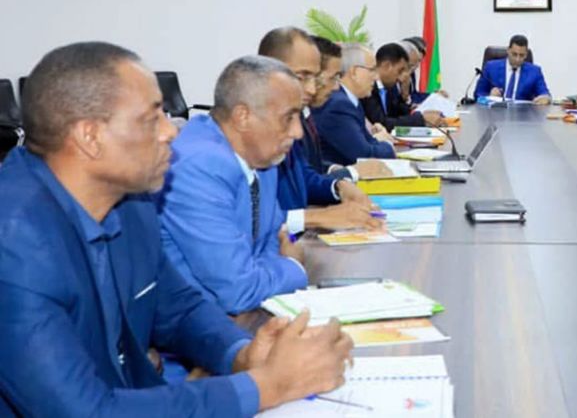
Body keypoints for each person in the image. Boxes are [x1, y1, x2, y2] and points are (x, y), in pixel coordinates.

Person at [0, 42, 352, 416]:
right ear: (90, 136)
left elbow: (177, 307)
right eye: (152, 118)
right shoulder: (14, 242)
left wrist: (242, 353)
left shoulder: (130, 201)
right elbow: (86, 412)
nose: (171, 131)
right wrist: (266, 386)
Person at [157, 56, 311, 314]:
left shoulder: (263, 157)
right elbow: (238, 290)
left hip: (246, 313)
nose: (298, 132)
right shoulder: (198, 166)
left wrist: (263, 270)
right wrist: (293, 266)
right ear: (242, 117)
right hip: (197, 328)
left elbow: (272, 239)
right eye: (288, 118)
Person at [256, 27, 385, 233]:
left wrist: (338, 187)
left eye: (315, 78)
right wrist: (317, 218)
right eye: (303, 76)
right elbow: (252, 220)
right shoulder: (255, 131)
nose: (312, 88)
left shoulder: (292, 118)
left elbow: (303, 177)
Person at [311, 43, 398, 164]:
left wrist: (379, 141)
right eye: (372, 70)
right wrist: (387, 144)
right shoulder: (338, 104)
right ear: (354, 72)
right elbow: (365, 155)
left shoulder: (351, 99)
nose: (376, 77)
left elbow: (368, 142)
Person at [360, 42, 439, 129]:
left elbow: (398, 114)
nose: (402, 78)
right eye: (400, 71)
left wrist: (417, 111)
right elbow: (381, 123)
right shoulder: (367, 88)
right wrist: (421, 119)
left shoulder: (391, 86)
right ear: (386, 66)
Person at [476, 34, 551, 104]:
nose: (517, 59)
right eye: (514, 54)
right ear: (508, 51)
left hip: (522, 112)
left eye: (521, 55)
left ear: (526, 55)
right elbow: (478, 93)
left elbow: (545, 94)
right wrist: (489, 96)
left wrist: (545, 98)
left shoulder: (535, 72)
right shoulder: (491, 67)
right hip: (495, 111)